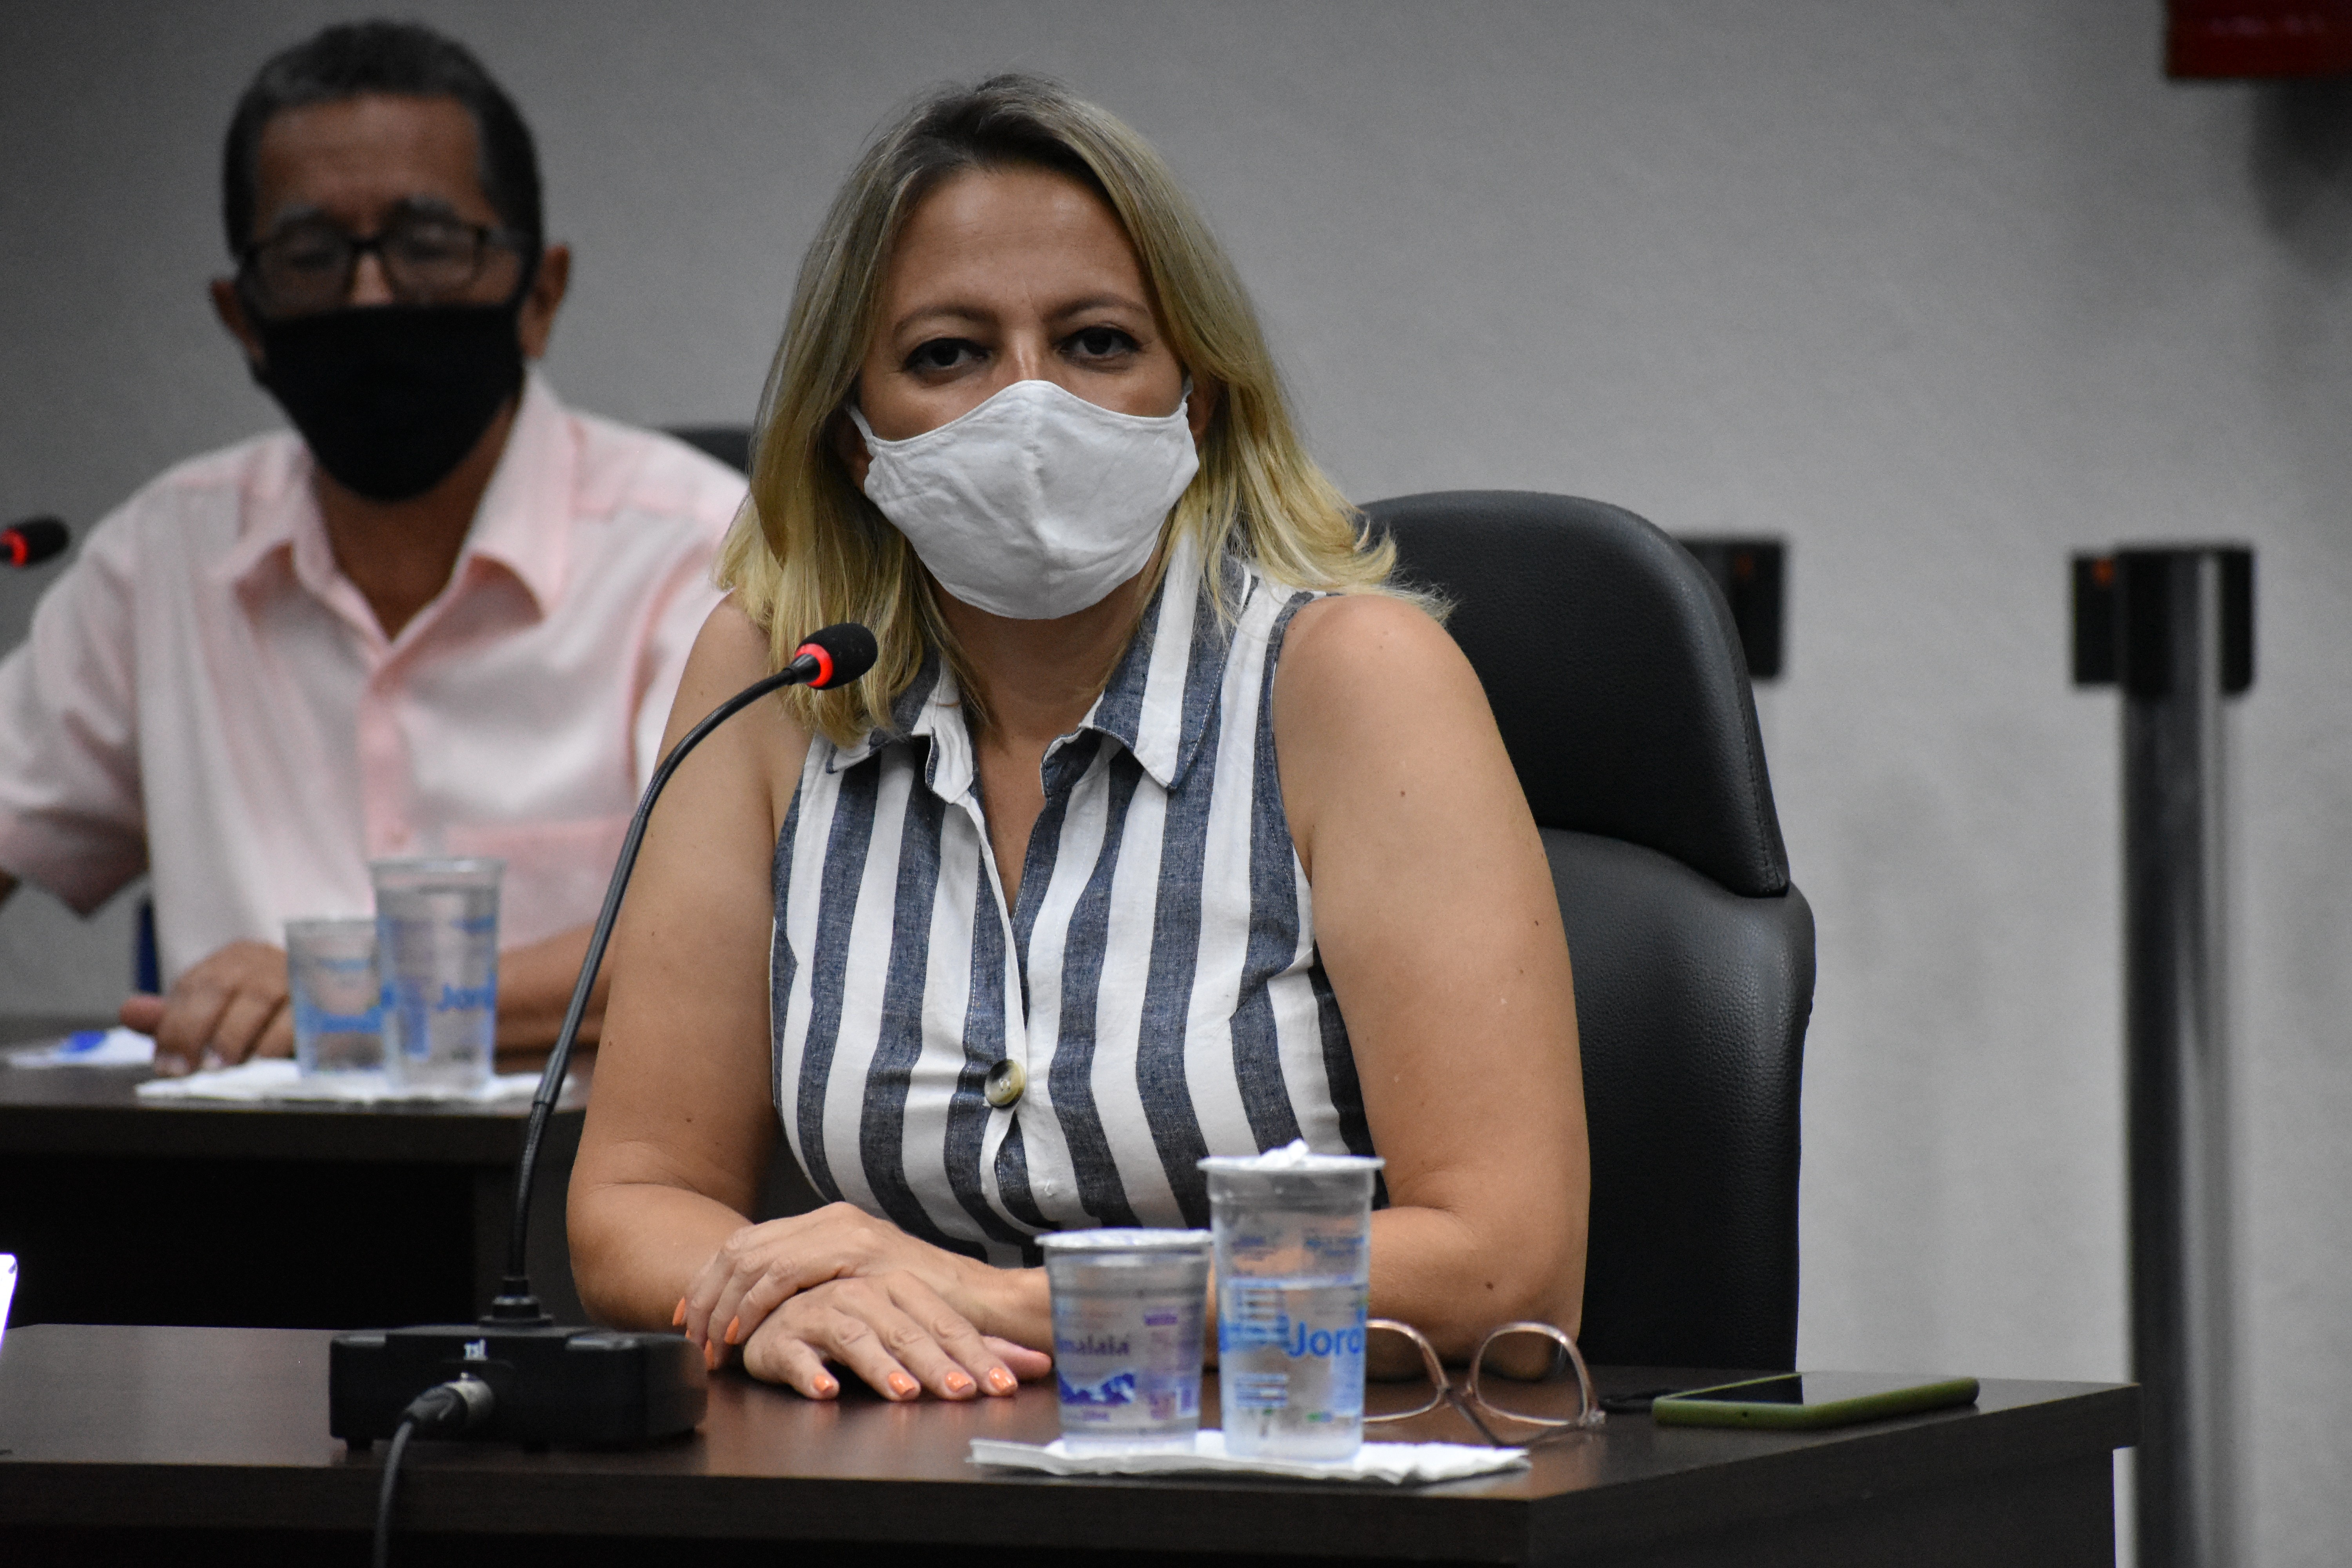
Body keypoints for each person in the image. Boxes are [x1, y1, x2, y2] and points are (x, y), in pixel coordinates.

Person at [569, 75, 1588, 1403]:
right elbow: (631, 1202)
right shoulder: (778, 682)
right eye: (949, 354)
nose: (1029, 407)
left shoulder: (1354, 683)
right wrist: (781, 1297)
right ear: (855, 437)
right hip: (907, 1463)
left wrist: (1009, 1304)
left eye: (1098, 342)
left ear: (1196, 397)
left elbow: (1510, 1266)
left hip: (1290, 1464)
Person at [0, 21, 744, 1072]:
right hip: (225, 1167)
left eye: (427, 246)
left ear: (538, 294)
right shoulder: (164, 559)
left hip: (564, 1170)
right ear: (243, 319)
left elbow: (730, 944)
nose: (370, 296)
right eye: (310, 259)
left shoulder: (700, 554)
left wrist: (350, 997)